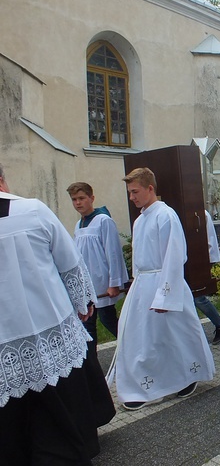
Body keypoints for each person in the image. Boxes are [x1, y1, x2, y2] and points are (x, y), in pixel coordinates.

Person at [0, 164, 114, 464]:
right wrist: (83, 302)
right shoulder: (33, 211)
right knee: (61, 422)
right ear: (2, 181)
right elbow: (69, 262)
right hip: (50, 335)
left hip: (5, 350)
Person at [114, 168, 215, 410]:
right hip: (144, 285)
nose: (132, 197)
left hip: (165, 284)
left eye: (135, 191)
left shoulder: (166, 215)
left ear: (150, 188)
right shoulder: (140, 220)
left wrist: (165, 295)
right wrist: (135, 284)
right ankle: (148, 383)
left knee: (177, 336)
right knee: (146, 338)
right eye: (129, 193)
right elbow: (139, 258)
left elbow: (174, 255)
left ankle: (188, 377)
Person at [67, 181, 129, 344]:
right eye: (74, 199)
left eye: (81, 198)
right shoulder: (78, 224)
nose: (78, 203)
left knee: (107, 319)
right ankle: (92, 363)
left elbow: (113, 252)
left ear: (91, 198)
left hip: (103, 281)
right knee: (88, 322)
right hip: (88, 283)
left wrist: (114, 283)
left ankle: (131, 345)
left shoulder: (103, 220)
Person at [193, 210, 220, 345]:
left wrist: (207, 263)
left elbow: (210, 242)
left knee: (198, 297)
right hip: (187, 263)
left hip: (200, 261)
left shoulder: (201, 214)